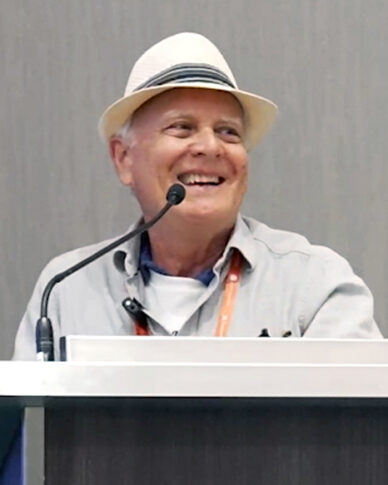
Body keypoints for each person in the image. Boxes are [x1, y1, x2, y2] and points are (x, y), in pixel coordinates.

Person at [12, 32, 382, 360]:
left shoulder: (313, 287)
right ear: (123, 158)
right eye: (182, 128)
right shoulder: (65, 290)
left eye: (228, 132)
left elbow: (360, 432)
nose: (209, 146)